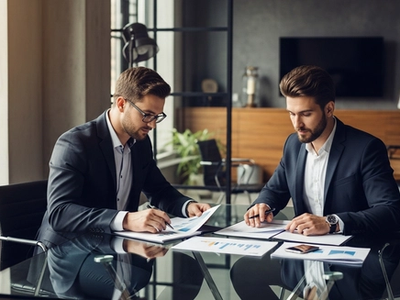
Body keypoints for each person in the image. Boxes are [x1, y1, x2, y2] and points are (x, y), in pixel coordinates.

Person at [37, 66, 210, 248]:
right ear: (121, 104)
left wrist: (187, 206)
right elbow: (59, 212)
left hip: (114, 247)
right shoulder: (75, 144)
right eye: (146, 115)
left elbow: (158, 190)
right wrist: (126, 219)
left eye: (157, 117)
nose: (152, 125)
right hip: (68, 251)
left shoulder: (140, 142)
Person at [244, 65, 400, 236]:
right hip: (302, 250)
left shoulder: (366, 148)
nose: (297, 124)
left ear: (329, 109)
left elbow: (390, 210)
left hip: (354, 252)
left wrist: (331, 222)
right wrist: (263, 204)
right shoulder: (292, 144)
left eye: (306, 114)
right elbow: (274, 190)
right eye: (291, 113)